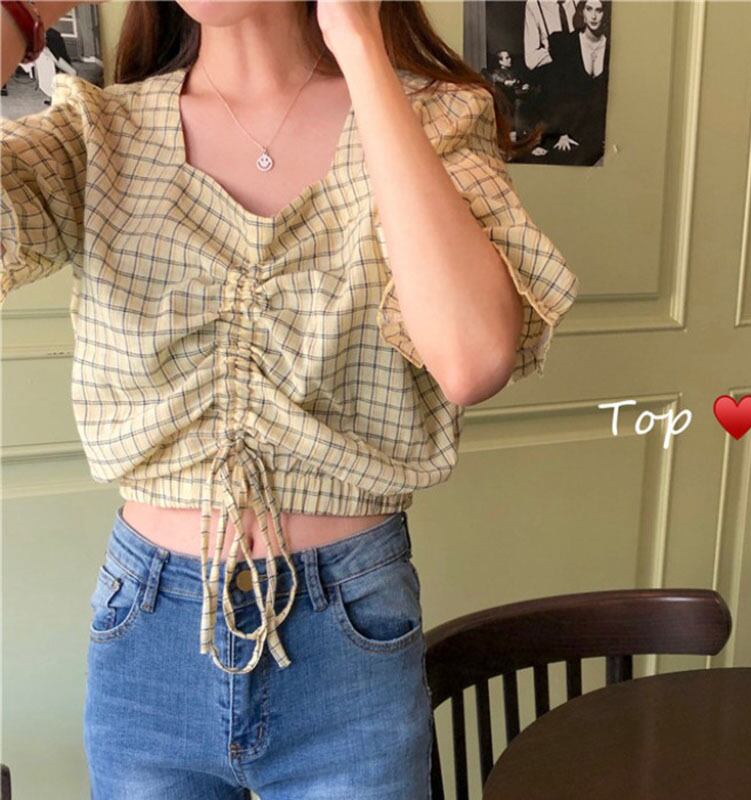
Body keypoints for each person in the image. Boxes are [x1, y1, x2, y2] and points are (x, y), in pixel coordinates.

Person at [0, 0, 579, 796]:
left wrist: (359, 42)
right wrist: (23, 10)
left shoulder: (434, 119)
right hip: (148, 639)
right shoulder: (96, 133)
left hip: (349, 635)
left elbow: (472, 358)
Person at [537, 0, 611, 165]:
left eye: (599, 10)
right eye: (589, 9)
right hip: (570, 130)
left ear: (605, 14)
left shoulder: (612, 47)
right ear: (582, 13)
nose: (593, 16)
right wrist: (562, 133)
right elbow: (555, 92)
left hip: (600, 132)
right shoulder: (566, 44)